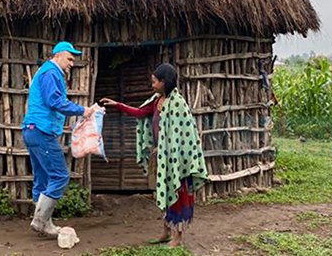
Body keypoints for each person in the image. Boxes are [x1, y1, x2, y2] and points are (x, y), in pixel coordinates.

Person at [101, 63, 207, 248]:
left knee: (178, 194)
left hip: (178, 160)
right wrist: (117, 105)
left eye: (154, 82)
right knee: (163, 192)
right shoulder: (157, 100)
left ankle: (177, 237)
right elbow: (141, 112)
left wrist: (172, 154)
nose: (152, 85)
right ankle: (166, 232)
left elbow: (182, 135)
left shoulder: (178, 104)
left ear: (164, 82)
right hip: (162, 156)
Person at [22, 41, 97, 238]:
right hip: (40, 132)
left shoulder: (46, 72)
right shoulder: (51, 72)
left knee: (42, 177)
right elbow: (54, 101)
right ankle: (41, 221)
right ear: (58, 55)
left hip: (33, 130)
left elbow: (49, 104)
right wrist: (83, 110)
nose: (72, 63)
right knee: (60, 176)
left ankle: (43, 221)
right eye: (70, 58)